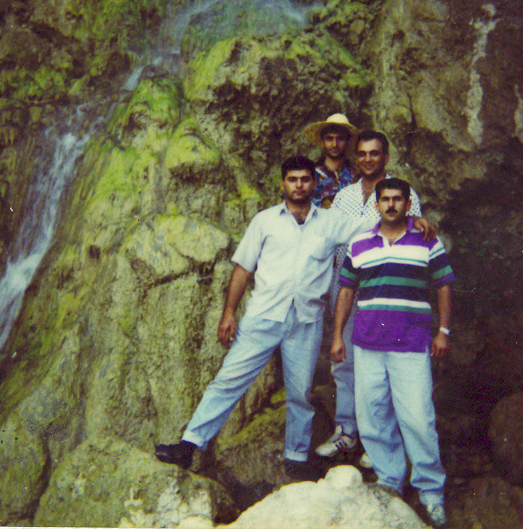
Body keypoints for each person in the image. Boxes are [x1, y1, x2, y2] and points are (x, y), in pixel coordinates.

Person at [155, 155, 378, 481]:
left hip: (306, 321)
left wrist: (413, 222)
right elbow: (243, 268)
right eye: (293, 179)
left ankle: (296, 458)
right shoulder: (264, 221)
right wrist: (228, 313)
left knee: (300, 393)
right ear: (283, 184)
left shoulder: (331, 222)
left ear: (314, 184)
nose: (299, 185)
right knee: (228, 380)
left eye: (305, 179)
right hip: (263, 316)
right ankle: (189, 445)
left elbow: (374, 225)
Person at [330, 177, 453, 527]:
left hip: (411, 344)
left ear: (408, 204)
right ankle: (389, 480)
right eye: (385, 199)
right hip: (367, 344)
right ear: (377, 204)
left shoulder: (426, 240)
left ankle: (431, 493)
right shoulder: (359, 244)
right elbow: (346, 290)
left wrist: (443, 331)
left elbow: (444, 285)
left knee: (418, 420)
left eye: (398, 199)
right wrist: (337, 336)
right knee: (373, 417)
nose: (391, 205)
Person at [315, 130, 424, 463]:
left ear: (385, 157)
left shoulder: (403, 193)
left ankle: (382, 443)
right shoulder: (344, 197)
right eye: (361, 153)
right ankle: (347, 432)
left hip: (384, 291)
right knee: (344, 362)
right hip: (345, 287)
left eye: (374, 153)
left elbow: (412, 236)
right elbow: (329, 239)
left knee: (384, 366)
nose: (367, 159)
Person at [303, 113, 359, 208]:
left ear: (347, 141)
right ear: (322, 142)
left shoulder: (357, 176)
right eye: (329, 139)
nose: (334, 144)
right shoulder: (310, 174)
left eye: (340, 138)